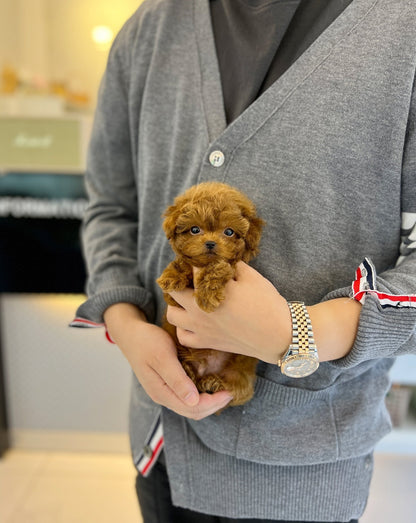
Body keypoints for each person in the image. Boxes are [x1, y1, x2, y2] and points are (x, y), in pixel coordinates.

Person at [71, 0, 416, 521]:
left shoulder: (403, 30)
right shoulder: (151, 26)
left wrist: (299, 332)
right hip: (160, 446)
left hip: (299, 474)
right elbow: (111, 206)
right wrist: (127, 323)